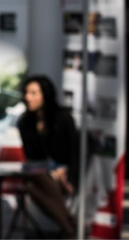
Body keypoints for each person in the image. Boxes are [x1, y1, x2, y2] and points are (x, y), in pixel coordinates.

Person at [17, 75, 78, 239]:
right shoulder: (25, 122)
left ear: (45, 94)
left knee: (32, 186)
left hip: (64, 171)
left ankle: (68, 227)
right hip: (42, 172)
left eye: (33, 93)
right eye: (26, 93)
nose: (28, 97)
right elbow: (32, 156)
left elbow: (74, 151)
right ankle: (69, 226)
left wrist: (71, 179)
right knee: (34, 180)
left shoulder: (62, 117)